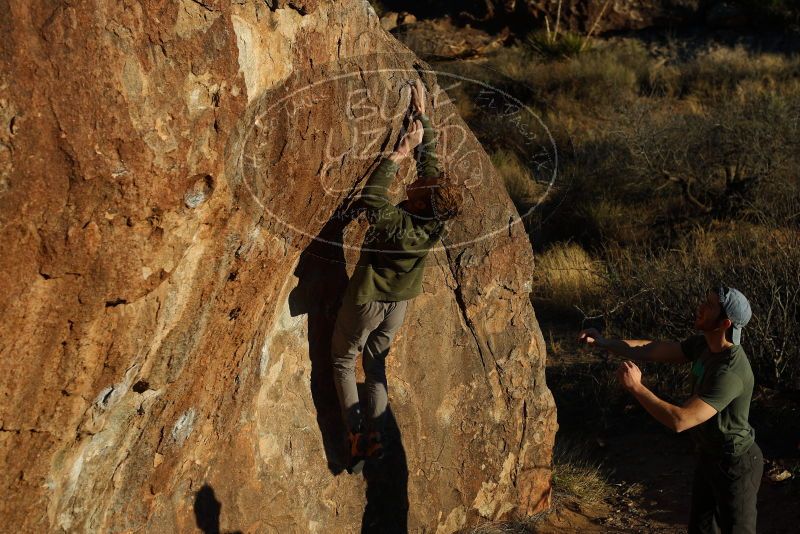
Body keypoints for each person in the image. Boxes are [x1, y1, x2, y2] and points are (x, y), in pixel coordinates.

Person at [331, 79, 464, 474]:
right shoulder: (433, 218)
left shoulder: (400, 226)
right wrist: (422, 116)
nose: (419, 178)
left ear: (421, 199)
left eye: (419, 186)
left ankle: (355, 436)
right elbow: (432, 164)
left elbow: (372, 201)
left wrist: (398, 154)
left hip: (369, 299)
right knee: (375, 366)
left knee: (343, 358)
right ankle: (377, 439)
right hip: (398, 304)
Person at [578, 285, 762, 534]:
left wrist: (636, 388)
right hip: (709, 455)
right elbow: (652, 349)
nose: (701, 307)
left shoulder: (729, 371)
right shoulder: (703, 346)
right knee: (701, 529)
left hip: (737, 464)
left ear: (725, 323)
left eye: (709, 306)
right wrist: (603, 342)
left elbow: (681, 420)